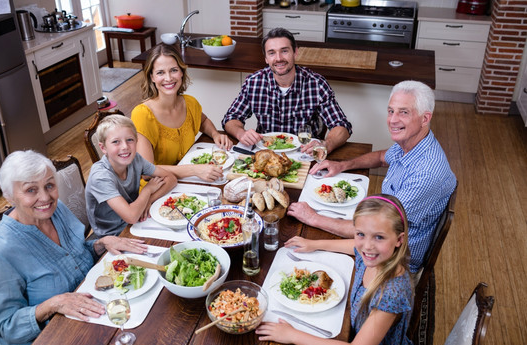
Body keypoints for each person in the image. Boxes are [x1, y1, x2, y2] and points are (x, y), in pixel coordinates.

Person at [0, 150, 150, 345]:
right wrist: (53, 304)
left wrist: (100, 244)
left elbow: (74, 257)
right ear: (9, 196)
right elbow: (5, 328)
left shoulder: (57, 210)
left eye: (49, 185)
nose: (45, 198)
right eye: (31, 190)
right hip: (48, 342)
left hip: (93, 311)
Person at [288, 80, 456, 273]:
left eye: (404, 112)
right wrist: (343, 165)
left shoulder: (425, 174)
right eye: (391, 111)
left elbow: (374, 231)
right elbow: (381, 157)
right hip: (381, 226)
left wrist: (313, 219)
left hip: (394, 258)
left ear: (425, 118)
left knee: (305, 263)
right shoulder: (413, 144)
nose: (392, 120)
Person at [257, 195, 426, 345]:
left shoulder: (390, 293)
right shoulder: (370, 255)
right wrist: (314, 244)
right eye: (361, 234)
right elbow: (354, 246)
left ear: (399, 240)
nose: (367, 246)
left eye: (379, 237)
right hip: (353, 332)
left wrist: (292, 335)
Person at [222, 27, 352, 155]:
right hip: (265, 153)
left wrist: (326, 145)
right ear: (266, 58)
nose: (278, 58)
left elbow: (341, 126)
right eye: (272, 53)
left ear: (295, 52)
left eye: (284, 51)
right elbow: (231, 118)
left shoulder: (316, 84)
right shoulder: (254, 82)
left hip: (305, 154)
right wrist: (241, 133)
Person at [132, 43, 233, 183]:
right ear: (152, 77)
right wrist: (194, 169)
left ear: (181, 72)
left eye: (173, 70)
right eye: (160, 72)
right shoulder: (142, 114)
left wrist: (215, 134)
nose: (168, 78)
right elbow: (146, 171)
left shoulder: (189, 103)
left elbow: (203, 121)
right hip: (157, 190)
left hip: (188, 182)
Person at [85, 114, 177, 237]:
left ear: (136, 141)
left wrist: (148, 201)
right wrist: (148, 190)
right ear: (103, 148)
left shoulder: (135, 159)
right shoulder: (100, 176)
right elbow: (131, 217)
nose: (125, 147)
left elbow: (171, 179)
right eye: (116, 142)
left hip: (138, 219)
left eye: (130, 140)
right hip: (114, 235)